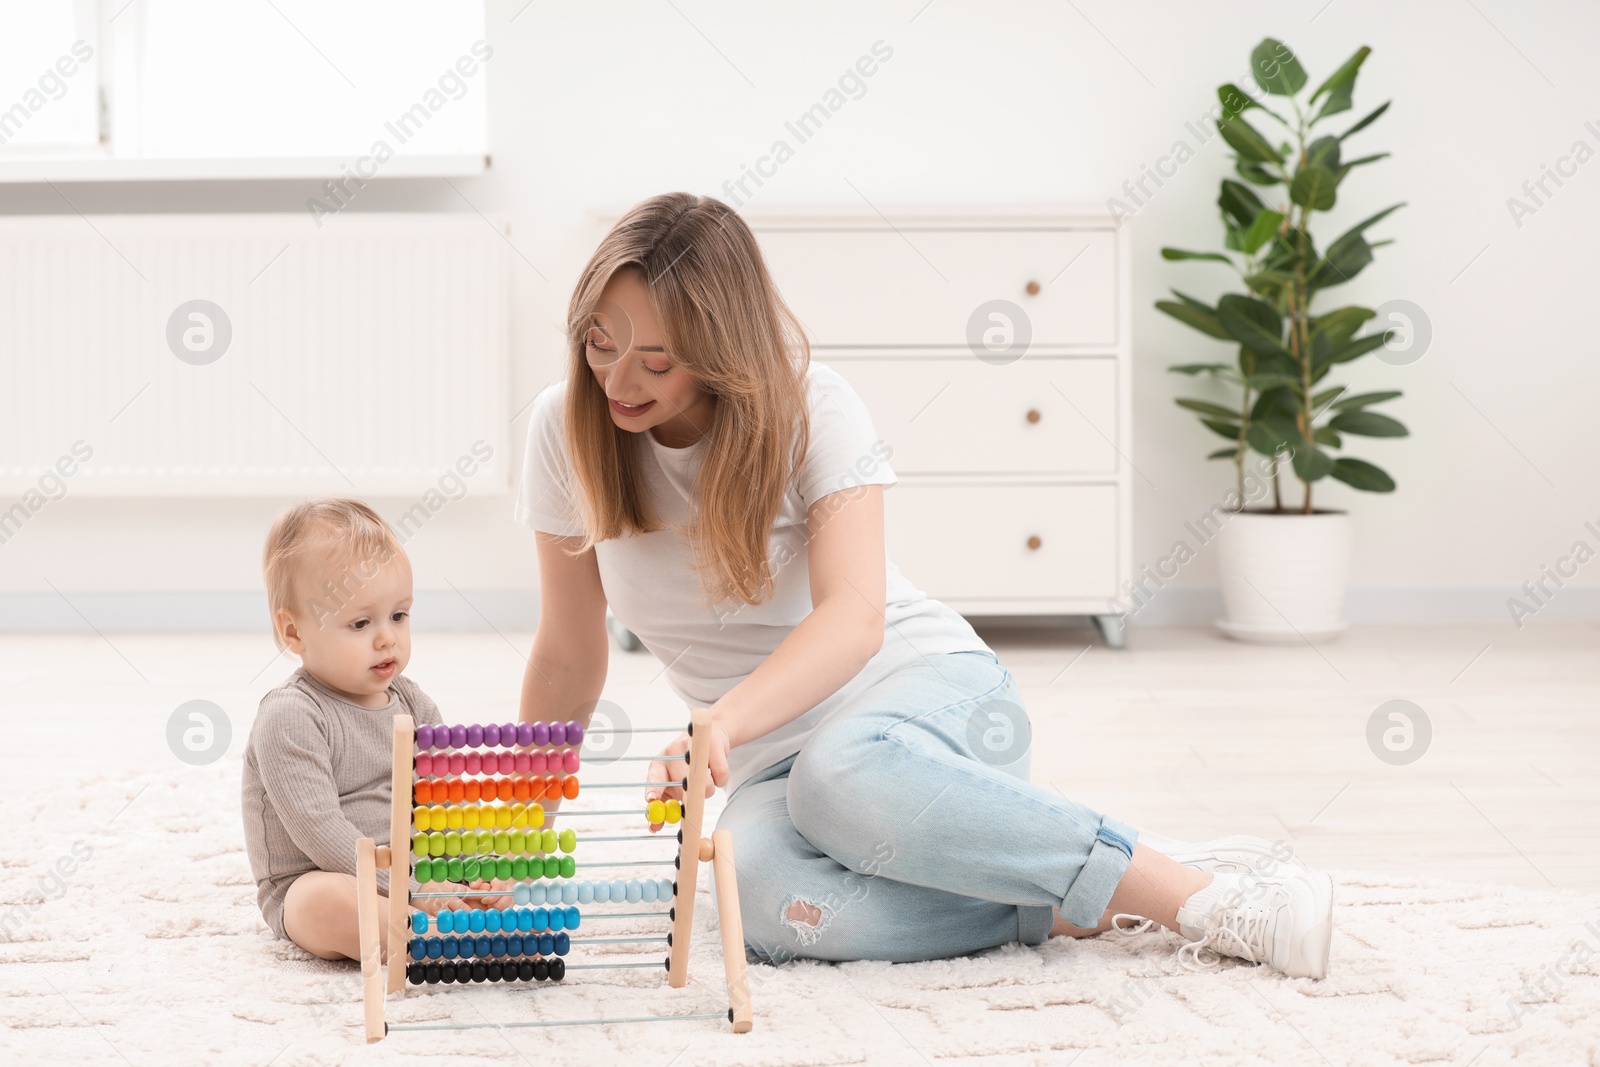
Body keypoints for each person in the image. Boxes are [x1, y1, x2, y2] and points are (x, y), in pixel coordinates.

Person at [514, 192, 1334, 979]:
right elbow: (566, 654)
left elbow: (855, 617)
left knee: (838, 775)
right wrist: (516, 838)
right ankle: (1062, 898)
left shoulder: (813, 406)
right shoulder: (566, 429)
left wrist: (719, 721)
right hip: (773, 761)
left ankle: (1198, 896)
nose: (619, 378)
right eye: (599, 342)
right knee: (762, 901)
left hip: (929, 698)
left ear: (719, 346)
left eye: (655, 357)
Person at [241, 497, 507, 960]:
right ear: (294, 633)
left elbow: (444, 805)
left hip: (418, 871)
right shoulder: (291, 716)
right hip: (325, 872)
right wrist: (408, 887)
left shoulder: (414, 704)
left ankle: (463, 917)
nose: (387, 637)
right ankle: (426, 936)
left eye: (399, 616)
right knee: (321, 904)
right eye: (361, 622)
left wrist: (478, 863)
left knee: (500, 871)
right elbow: (321, 832)